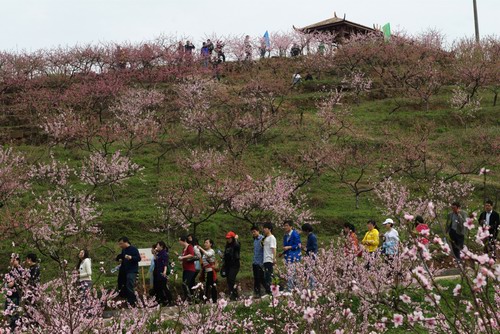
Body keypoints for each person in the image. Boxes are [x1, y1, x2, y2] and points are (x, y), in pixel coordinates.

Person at [117, 237, 141, 306]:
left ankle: (133, 302)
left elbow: (138, 258)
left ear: (126, 242)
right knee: (124, 285)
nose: (120, 245)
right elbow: (123, 257)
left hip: (132, 271)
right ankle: (128, 301)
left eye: (121, 244)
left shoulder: (133, 249)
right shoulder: (123, 250)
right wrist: (121, 260)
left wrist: (131, 257)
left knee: (129, 285)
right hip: (124, 271)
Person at [4, 254, 23, 331]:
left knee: (14, 312)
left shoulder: (20, 270)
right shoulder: (11, 270)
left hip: (16, 295)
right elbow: (7, 282)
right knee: (8, 311)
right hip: (10, 294)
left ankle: (14, 328)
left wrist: (13, 282)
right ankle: (10, 327)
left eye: (13, 259)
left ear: (17, 260)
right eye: (11, 259)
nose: (11, 261)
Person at [197, 239, 218, 303]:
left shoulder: (211, 251)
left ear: (210, 244)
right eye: (204, 243)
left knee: (212, 285)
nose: (205, 244)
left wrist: (201, 248)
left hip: (211, 271)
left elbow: (208, 255)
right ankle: (205, 299)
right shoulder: (205, 252)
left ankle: (214, 300)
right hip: (206, 271)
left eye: (207, 243)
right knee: (206, 285)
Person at [282, 220, 301, 291]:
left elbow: (298, 245)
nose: (285, 227)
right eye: (284, 226)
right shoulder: (285, 236)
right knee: (290, 273)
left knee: (293, 274)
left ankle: (292, 289)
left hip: (294, 257)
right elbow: (285, 246)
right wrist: (282, 253)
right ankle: (293, 288)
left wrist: (289, 247)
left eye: (287, 225)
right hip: (288, 257)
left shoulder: (295, 234)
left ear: (291, 226)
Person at [153, 241, 172, 306]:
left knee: (163, 286)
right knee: (158, 286)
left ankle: (169, 300)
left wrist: (164, 271)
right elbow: (156, 260)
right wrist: (154, 254)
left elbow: (165, 263)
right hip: (157, 271)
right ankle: (162, 300)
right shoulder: (159, 253)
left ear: (161, 246)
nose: (156, 247)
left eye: (157, 245)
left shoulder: (164, 253)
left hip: (162, 272)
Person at [223, 231, 241, 300]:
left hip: (235, 265)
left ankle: (235, 295)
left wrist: (236, 239)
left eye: (230, 238)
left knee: (231, 279)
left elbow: (237, 246)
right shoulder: (227, 246)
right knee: (228, 280)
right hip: (228, 265)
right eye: (227, 238)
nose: (228, 240)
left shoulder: (236, 244)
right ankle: (232, 294)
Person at [178, 235, 196, 301]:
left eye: (180, 240)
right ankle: (188, 298)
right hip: (185, 269)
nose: (179, 242)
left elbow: (191, 254)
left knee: (185, 284)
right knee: (185, 284)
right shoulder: (183, 249)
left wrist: (182, 257)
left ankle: (189, 298)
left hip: (190, 269)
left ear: (184, 240)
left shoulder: (189, 246)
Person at [262, 222, 277, 295]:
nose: (264, 230)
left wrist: (274, 258)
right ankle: (269, 290)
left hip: (269, 258)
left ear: (269, 229)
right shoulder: (266, 238)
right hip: (265, 259)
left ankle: (271, 291)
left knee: (268, 276)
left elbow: (273, 248)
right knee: (267, 275)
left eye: (265, 228)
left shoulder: (272, 238)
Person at [251, 225, 265, 297]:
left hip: (260, 262)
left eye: (254, 232)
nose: (253, 233)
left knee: (260, 278)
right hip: (255, 261)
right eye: (252, 232)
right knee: (257, 278)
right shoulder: (255, 240)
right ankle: (257, 292)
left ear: (258, 231)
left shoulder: (262, 239)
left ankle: (259, 292)